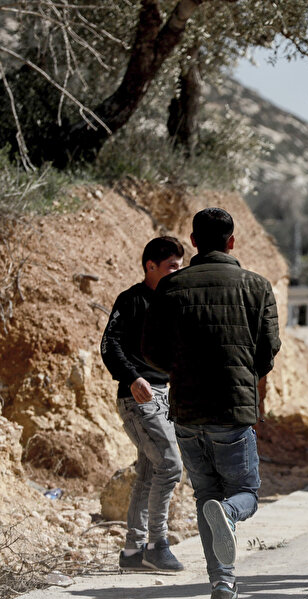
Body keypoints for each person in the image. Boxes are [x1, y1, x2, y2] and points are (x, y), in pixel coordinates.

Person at [143, 208, 281, 599]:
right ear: (232, 241)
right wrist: (241, 371)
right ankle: (231, 517)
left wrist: (183, 369)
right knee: (245, 495)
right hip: (234, 409)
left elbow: (150, 350)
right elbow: (268, 351)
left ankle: (222, 581)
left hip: (186, 410)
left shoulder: (170, 287)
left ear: (193, 242)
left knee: (206, 496)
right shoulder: (257, 286)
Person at [100, 236, 185, 572]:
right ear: (151, 266)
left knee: (149, 471)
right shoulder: (131, 300)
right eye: (172, 266)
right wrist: (133, 378)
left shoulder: (173, 302)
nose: (178, 272)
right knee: (170, 465)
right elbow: (109, 344)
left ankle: (133, 552)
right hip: (138, 398)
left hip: (166, 396)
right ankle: (157, 543)